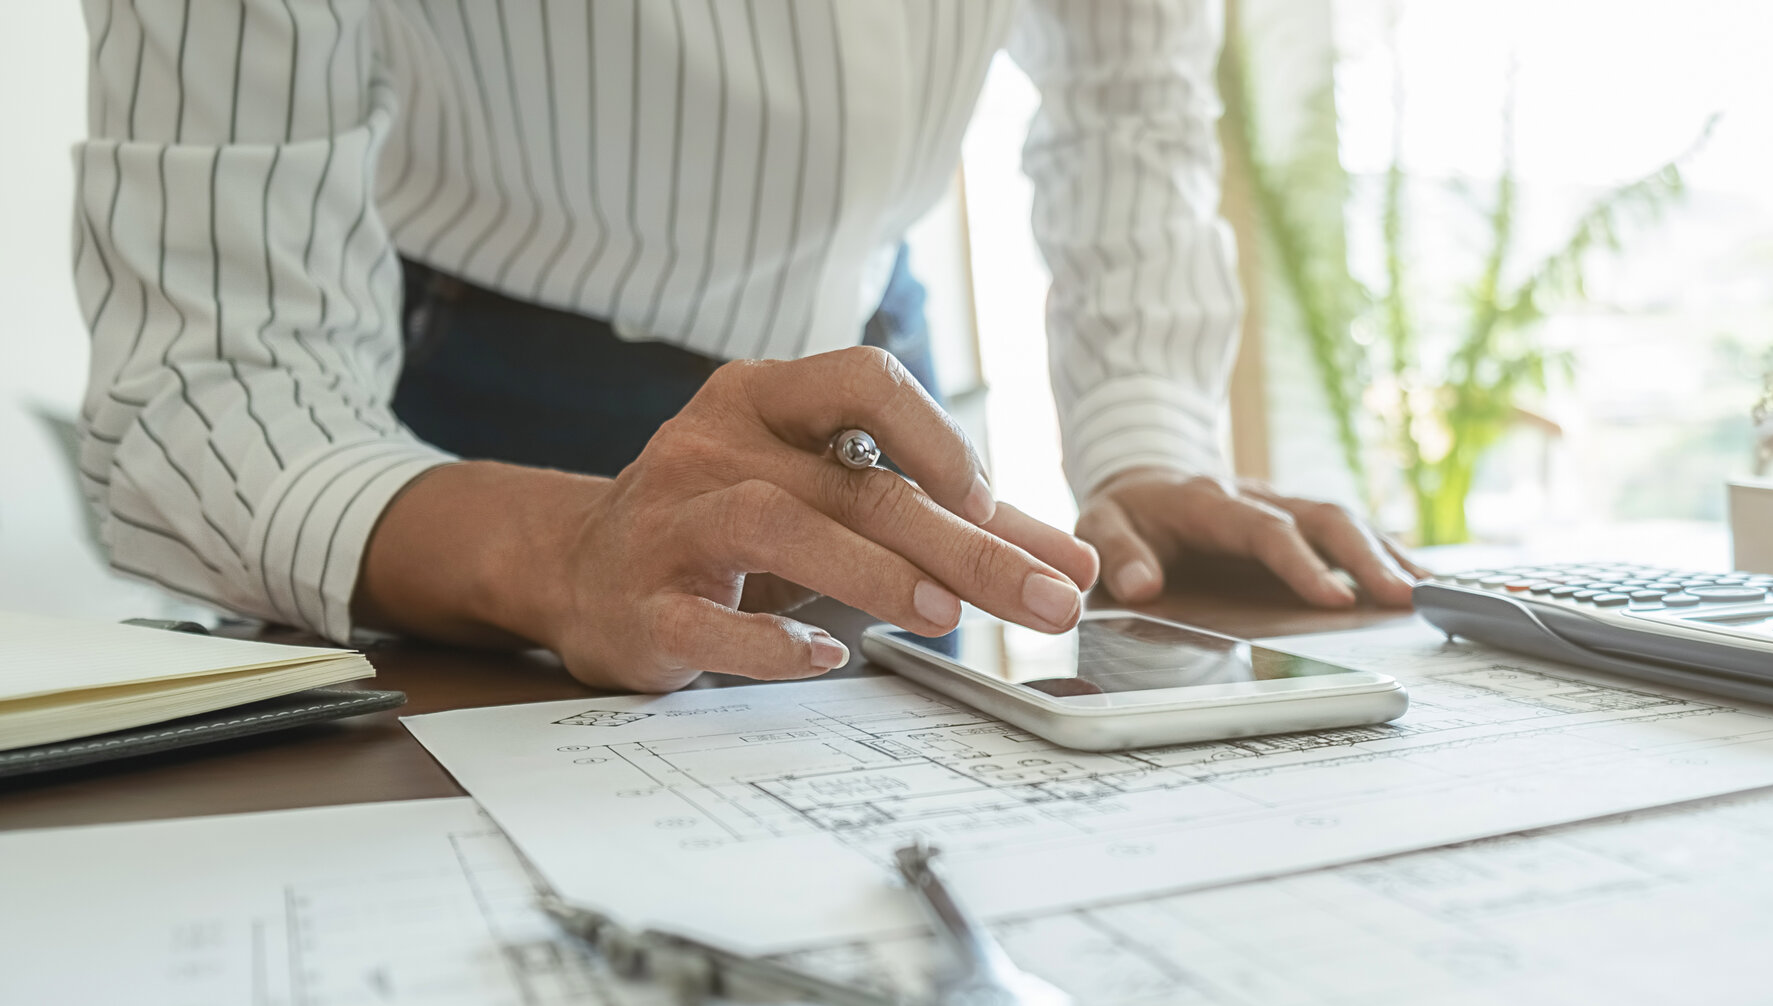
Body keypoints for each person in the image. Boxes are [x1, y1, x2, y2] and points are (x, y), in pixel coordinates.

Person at [74, 0, 1415, 694]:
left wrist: (1145, 436)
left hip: (881, 423)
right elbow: (208, 382)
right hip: (454, 441)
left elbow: (1130, 90)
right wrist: (560, 555)